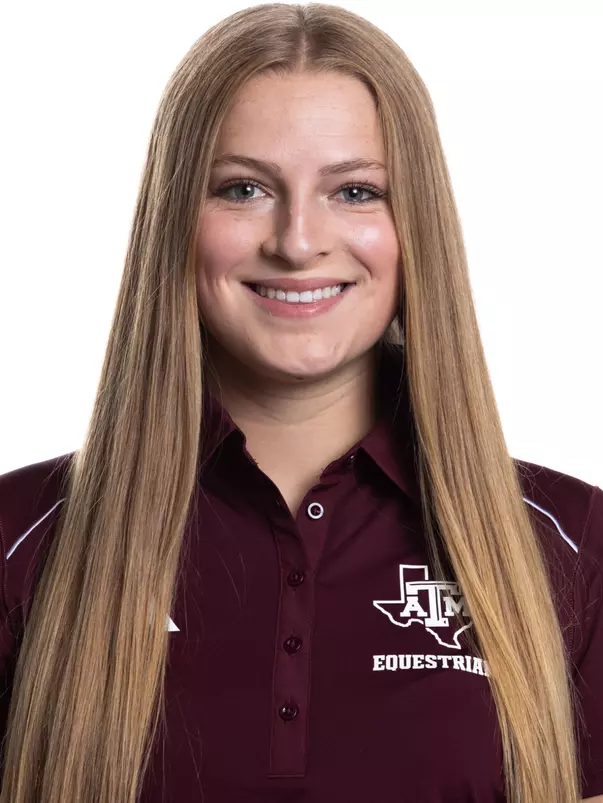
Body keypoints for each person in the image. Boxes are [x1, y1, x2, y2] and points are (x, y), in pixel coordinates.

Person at [0, 3, 601, 802]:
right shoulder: (20, 542)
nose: (296, 239)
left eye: (354, 190)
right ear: (174, 220)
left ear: (414, 224)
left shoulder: (574, 545)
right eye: (243, 188)